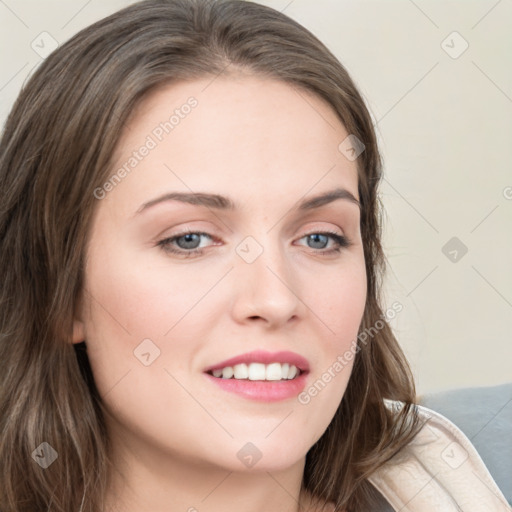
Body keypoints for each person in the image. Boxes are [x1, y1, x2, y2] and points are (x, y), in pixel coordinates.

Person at [0, 1, 508, 511]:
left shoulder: (483, 472)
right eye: (190, 239)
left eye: (319, 238)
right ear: (57, 292)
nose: (275, 298)